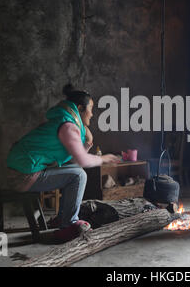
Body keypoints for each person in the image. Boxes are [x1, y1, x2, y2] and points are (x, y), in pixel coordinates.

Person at [6, 84, 120, 242]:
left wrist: (88, 142)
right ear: (80, 108)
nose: (92, 114)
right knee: (79, 175)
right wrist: (103, 158)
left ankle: (62, 218)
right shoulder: (68, 126)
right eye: (91, 108)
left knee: (75, 170)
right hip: (21, 176)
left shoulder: (65, 121)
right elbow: (82, 160)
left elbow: (73, 160)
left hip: (21, 171)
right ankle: (68, 225)